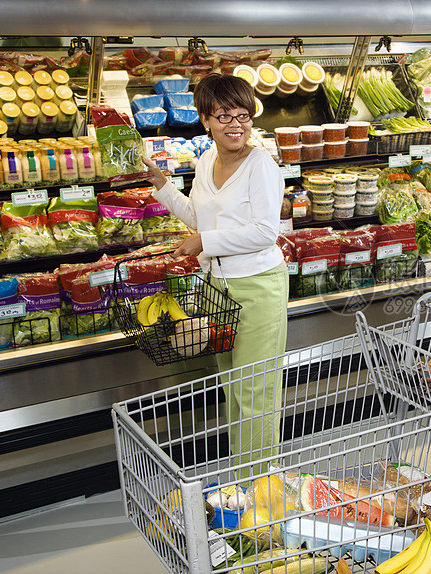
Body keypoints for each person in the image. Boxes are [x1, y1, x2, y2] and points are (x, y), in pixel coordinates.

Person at [141, 73, 287, 476]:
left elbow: (264, 233)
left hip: (258, 285)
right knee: (234, 387)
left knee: (256, 389)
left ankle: (256, 488)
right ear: (205, 119)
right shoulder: (206, 161)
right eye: (224, 116)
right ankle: (245, 482)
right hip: (216, 287)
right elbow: (197, 216)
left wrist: (205, 241)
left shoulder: (261, 166)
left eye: (243, 115)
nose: (235, 124)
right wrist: (163, 187)